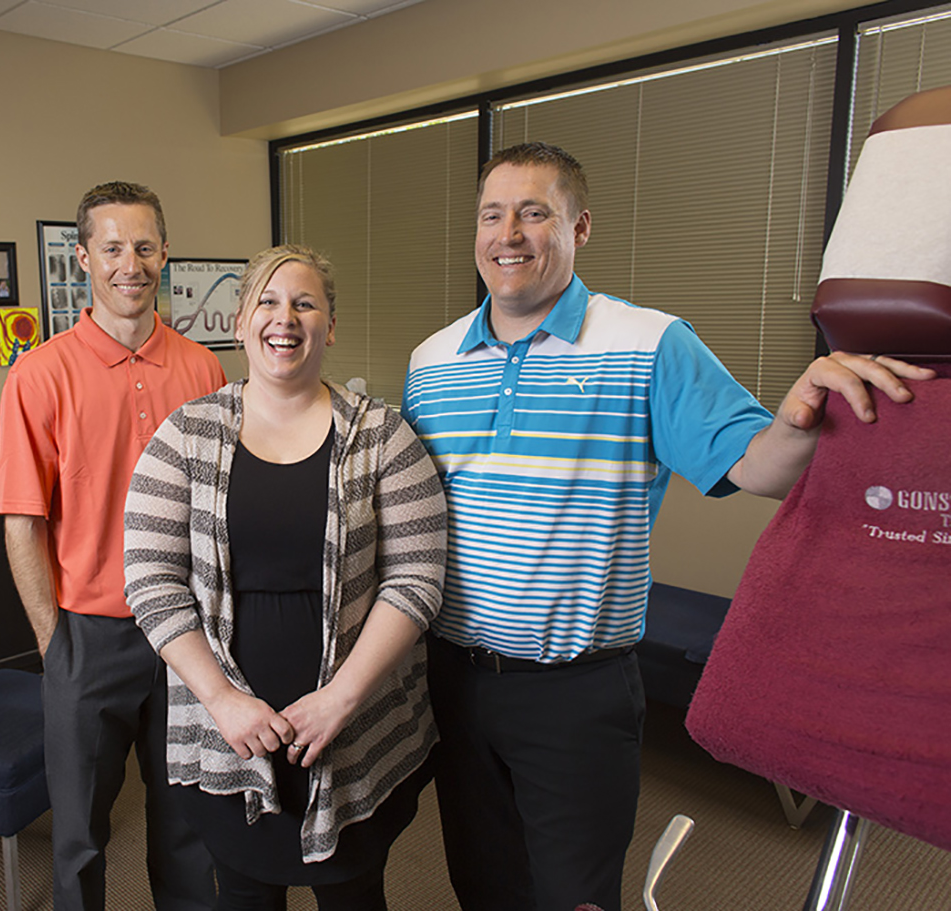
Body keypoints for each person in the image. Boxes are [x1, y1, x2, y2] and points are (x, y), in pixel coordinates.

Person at [400, 142, 935, 911]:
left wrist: (800, 417)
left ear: (580, 227)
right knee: (482, 883)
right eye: (492, 215)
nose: (507, 234)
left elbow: (758, 467)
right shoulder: (432, 361)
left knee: (575, 896)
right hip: (453, 678)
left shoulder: (648, 343)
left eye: (533, 212)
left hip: (576, 691)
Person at [124, 245, 448, 910]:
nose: (285, 318)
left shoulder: (383, 436)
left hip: (356, 731)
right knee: (244, 893)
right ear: (240, 322)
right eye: (268, 302)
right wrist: (222, 699)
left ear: (330, 325)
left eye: (305, 303)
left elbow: (416, 577)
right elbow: (151, 579)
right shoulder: (184, 436)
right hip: (226, 735)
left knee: (355, 895)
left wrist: (340, 699)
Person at [0, 181, 224, 911]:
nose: (132, 264)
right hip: (89, 636)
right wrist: (53, 642)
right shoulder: (40, 374)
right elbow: (22, 521)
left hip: (187, 633)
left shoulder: (203, 369)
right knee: (80, 838)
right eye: (114, 247)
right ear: (84, 257)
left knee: (189, 827)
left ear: (165, 253)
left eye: (145, 247)